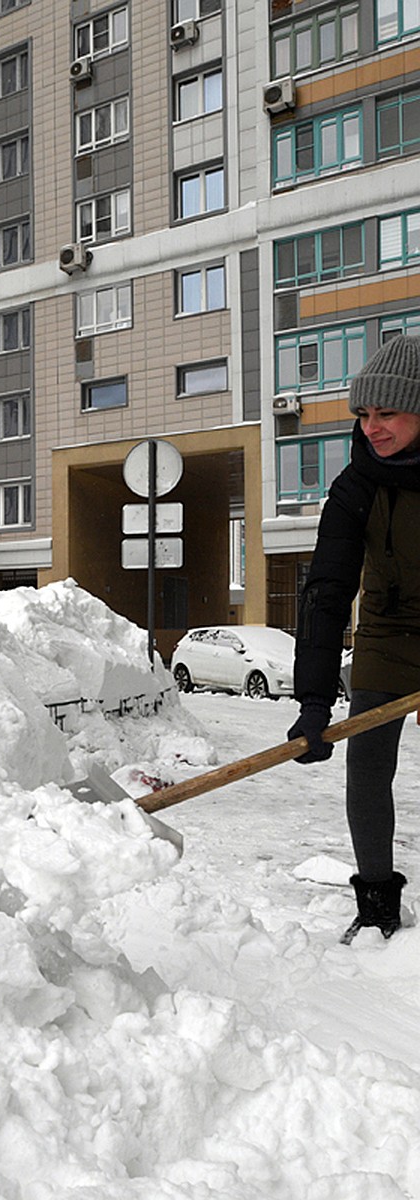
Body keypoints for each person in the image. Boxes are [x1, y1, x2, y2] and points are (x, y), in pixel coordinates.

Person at [289, 334, 420, 943]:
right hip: (389, 633)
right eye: (364, 414)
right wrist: (312, 701)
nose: (372, 427)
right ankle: (376, 906)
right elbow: (326, 591)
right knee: (367, 769)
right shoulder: (355, 485)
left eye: (387, 412)